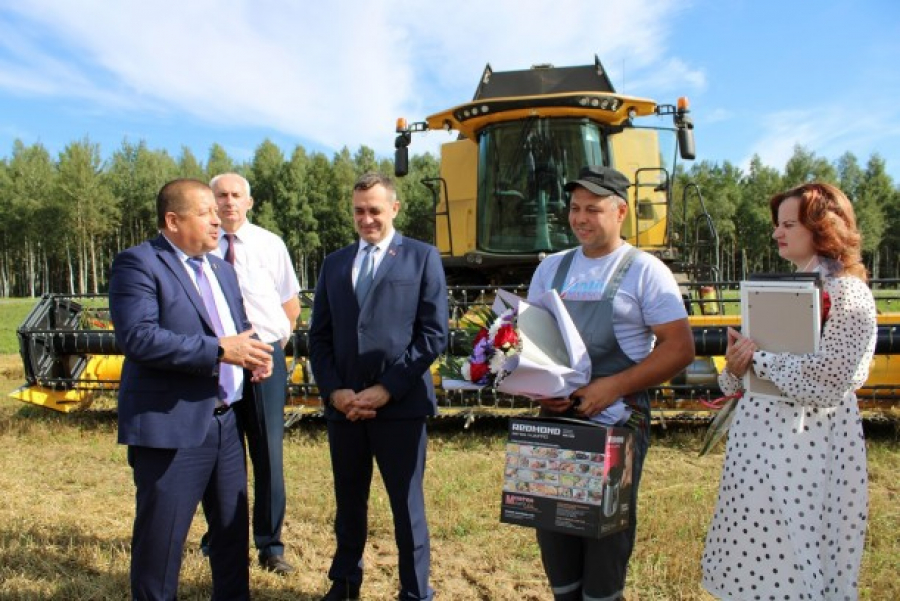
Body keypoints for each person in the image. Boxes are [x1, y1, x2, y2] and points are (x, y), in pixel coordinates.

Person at [527, 165, 695, 601]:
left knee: (603, 538)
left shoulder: (645, 271)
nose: (580, 218)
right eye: (574, 208)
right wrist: (542, 389)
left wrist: (613, 387)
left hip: (616, 422)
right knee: (555, 533)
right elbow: (531, 345)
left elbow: (679, 348)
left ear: (621, 211)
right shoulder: (550, 270)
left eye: (593, 209)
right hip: (558, 418)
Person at [702, 182, 876, 600]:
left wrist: (759, 360)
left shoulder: (848, 293)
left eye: (788, 224)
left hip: (807, 445)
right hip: (760, 442)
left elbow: (835, 379)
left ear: (823, 226)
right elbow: (738, 382)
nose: (777, 233)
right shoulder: (779, 290)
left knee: (798, 545)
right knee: (758, 542)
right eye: (777, 224)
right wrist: (738, 364)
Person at [109, 179, 274, 600]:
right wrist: (222, 350)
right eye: (206, 213)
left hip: (225, 424)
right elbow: (139, 338)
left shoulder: (220, 267)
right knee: (161, 545)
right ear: (172, 220)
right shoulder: (139, 264)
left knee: (232, 537)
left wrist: (254, 355)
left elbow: (236, 333)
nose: (218, 220)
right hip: (171, 428)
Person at [308, 172, 448, 601]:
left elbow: (433, 334)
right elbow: (320, 337)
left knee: (407, 508)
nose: (366, 219)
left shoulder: (422, 258)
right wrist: (335, 391)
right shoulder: (334, 263)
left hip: (400, 406)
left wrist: (386, 388)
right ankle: (345, 583)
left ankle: (414, 590)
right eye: (359, 211)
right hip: (345, 407)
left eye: (374, 210)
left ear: (394, 208)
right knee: (348, 502)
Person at [204, 172, 301, 575]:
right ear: (209, 201)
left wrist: (270, 352)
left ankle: (270, 544)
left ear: (250, 202)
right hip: (214, 360)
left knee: (267, 454)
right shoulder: (198, 247)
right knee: (216, 454)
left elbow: (290, 306)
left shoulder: (269, 244)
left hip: (264, 358)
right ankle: (219, 536)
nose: (228, 202)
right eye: (221, 196)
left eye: (235, 195)